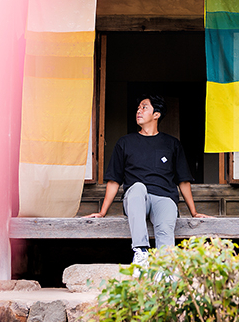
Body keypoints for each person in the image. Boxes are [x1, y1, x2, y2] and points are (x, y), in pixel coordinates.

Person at [85, 95, 211, 265]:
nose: (138, 111)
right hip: (137, 199)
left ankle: (165, 267)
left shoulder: (172, 144)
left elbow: (183, 181)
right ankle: (141, 252)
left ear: (156, 114)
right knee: (137, 188)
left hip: (164, 196)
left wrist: (194, 212)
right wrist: (102, 212)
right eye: (138, 108)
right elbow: (114, 180)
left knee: (166, 221)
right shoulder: (125, 142)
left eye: (144, 107)